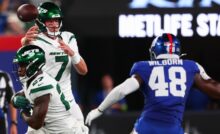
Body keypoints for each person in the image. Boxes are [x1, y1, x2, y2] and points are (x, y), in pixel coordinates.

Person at [85, 33, 220, 134]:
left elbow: (122, 90)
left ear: (155, 51)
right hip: (173, 129)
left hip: (145, 128)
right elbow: (216, 90)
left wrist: (99, 109)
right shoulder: (191, 67)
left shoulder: (144, 67)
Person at [20, 1, 87, 126]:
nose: (54, 24)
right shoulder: (35, 40)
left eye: (56, 20)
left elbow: (83, 70)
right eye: (50, 21)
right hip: (43, 101)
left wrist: (72, 53)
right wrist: (24, 42)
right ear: (41, 22)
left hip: (67, 101)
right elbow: (23, 69)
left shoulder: (68, 37)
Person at [11, 45, 88, 134]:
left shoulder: (41, 86)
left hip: (65, 131)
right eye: (19, 65)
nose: (19, 70)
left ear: (34, 65)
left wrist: (23, 112)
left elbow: (36, 124)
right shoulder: (33, 79)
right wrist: (14, 99)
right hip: (49, 129)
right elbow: (24, 93)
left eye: (23, 65)